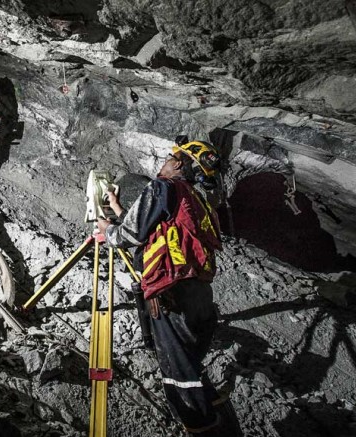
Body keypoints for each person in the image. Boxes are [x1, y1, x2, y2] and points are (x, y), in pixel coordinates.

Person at [97, 137, 241, 436]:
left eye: (170, 158)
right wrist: (117, 208)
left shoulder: (163, 186)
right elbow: (158, 231)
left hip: (171, 292)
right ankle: (222, 416)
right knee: (189, 362)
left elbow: (132, 235)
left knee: (179, 375)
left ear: (178, 164)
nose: (165, 162)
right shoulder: (195, 199)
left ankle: (203, 428)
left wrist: (108, 231)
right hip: (199, 294)